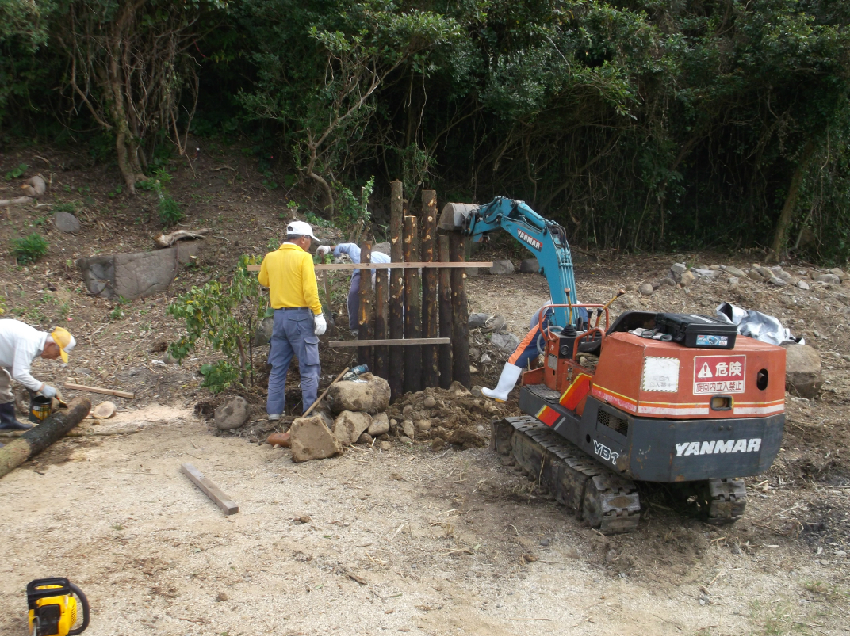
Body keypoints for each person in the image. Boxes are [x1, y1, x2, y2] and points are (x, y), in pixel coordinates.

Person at [258, 220, 327, 420]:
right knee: (309, 366)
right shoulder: (303, 258)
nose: (310, 245)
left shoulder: (270, 257)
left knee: (278, 367)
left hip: (279, 318)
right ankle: (309, 414)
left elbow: (263, 280)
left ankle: (274, 412)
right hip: (299, 318)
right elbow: (309, 291)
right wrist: (318, 313)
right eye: (310, 240)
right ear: (303, 239)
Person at [482, 304, 588, 402]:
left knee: (522, 352)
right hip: (582, 312)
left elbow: (535, 348)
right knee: (572, 351)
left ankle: (500, 392)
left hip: (555, 313)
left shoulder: (538, 320)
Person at [0, 320, 75, 431]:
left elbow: (14, 366)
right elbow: (19, 373)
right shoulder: (29, 342)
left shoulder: (34, 342)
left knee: (2, 383)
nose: (55, 358)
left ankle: (8, 422)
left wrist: (31, 386)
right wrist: (41, 387)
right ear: (51, 344)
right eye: (57, 354)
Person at [316, 243, 391, 334]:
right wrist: (328, 248)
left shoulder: (389, 268)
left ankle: (390, 324)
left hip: (383, 269)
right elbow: (349, 246)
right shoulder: (359, 256)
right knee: (354, 293)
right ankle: (355, 327)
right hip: (361, 269)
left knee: (390, 299)